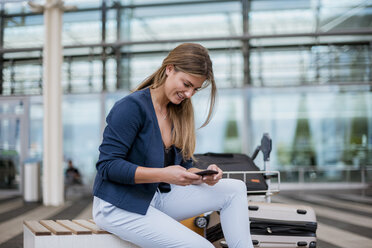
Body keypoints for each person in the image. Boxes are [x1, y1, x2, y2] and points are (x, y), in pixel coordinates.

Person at [92, 43, 254, 248]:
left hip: (156, 197)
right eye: (186, 84)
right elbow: (108, 166)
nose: (189, 94)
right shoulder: (131, 107)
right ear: (169, 69)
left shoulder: (178, 112)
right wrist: (163, 174)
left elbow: (183, 168)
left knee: (235, 188)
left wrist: (202, 176)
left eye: (195, 89)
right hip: (119, 205)